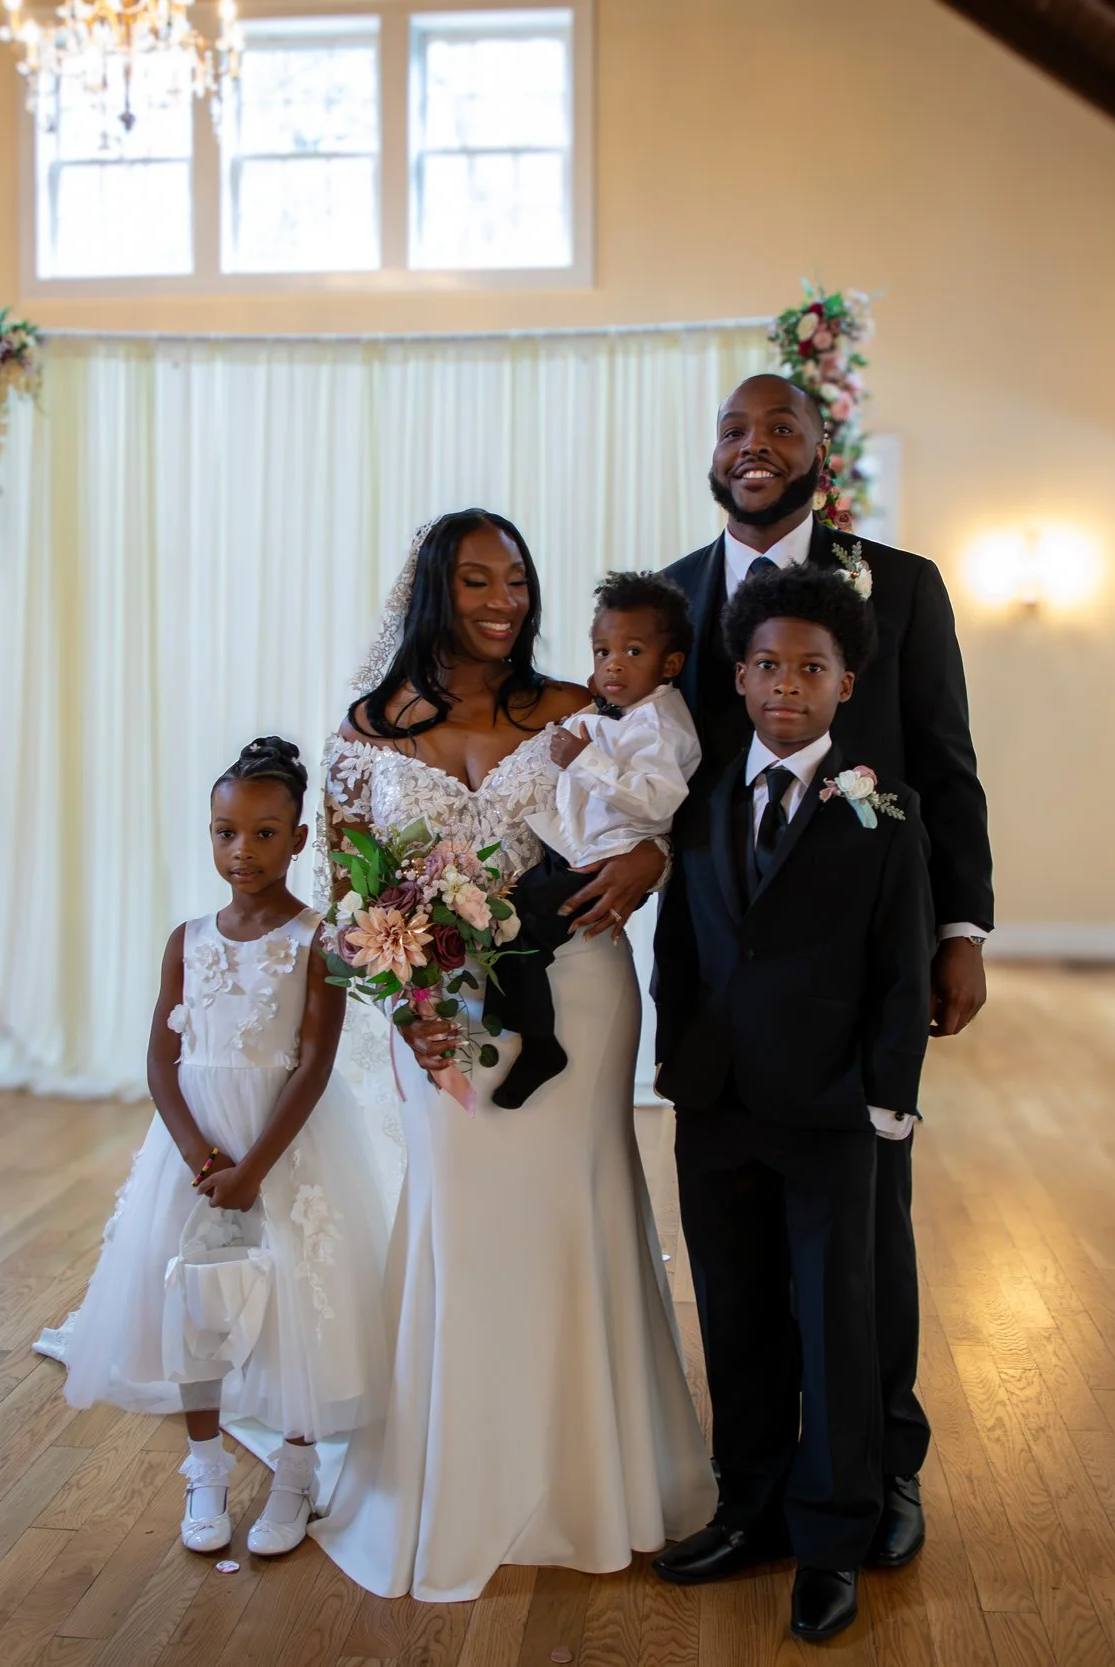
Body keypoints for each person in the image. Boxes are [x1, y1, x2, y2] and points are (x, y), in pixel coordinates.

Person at [311, 510, 714, 1602]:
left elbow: (660, 804)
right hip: (440, 1014)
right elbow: (339, 895)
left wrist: (654, 855)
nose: (504, 599)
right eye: (479, 579)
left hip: (579, 994)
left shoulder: (583, 706)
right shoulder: (363, 731)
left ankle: (597, 1479)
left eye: (520, 581)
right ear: (431, 588)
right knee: (467, 1221)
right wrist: (401, 1005)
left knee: (578, 1212)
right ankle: (459, 1478)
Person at [633, 373, 991, 1570]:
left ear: (820, 450)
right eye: (732, 428)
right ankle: (761, 1486)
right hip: (729, 993)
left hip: (851, 979)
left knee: (862, 1252)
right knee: (736, 1270)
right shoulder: (672, 602)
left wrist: (961, 932)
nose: (753, 446)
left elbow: (944, 767)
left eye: (780, 426)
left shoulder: (905, 584)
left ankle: (880, 1464)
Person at [649, 567, 932, 1643]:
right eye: (766, 664)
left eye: (809, 667)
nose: (784, 684)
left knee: (834, 1322)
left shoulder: (880, 816)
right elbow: (682, 948)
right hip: (718, 1105)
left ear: (843, 681)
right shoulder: (703, 800)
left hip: (829, 1115)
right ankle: (751, 1506)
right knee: (735, 1310)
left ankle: (830, 1534)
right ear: (740, 673)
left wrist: (885, 1103)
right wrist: (678, 1063)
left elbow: (901, 978)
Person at [35, 737, 389, 1559]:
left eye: (266, 833)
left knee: (306, 1301)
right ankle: (204, 1466)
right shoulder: (186, 938)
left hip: (286, 1147)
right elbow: (161, 1059)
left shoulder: (319, 941)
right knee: (191, 1299)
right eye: (226, 831)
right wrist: (203, 1162)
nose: (243, 850)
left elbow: (314, 1063)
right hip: (195, 1154)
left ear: (299, 839)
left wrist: (254, 1169)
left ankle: (297, 1471)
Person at [493, 570, 701, 1109]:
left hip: (601, 865)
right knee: (508, 923)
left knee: (519, 935)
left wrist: (581, 758)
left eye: (632, 651)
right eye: (602, 649)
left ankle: (539, 1045)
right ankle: (512, 1011)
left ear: (670, 664)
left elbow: (656, 799)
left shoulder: (660, 723)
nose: (612, 663)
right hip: (578, 851)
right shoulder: (628, 714)